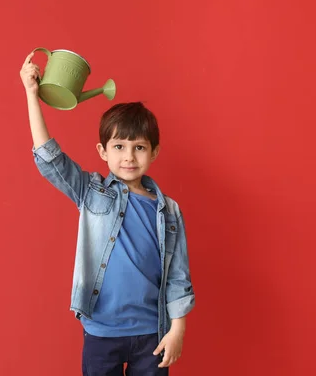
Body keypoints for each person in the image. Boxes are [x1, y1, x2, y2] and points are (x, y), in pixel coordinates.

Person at [20, 51, 195, 375]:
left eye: (139, 147)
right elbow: (49, 158)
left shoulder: (169, 210)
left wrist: (177, 328)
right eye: (119, 146)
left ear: (154, 152)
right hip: (101, 330)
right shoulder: (90, 191)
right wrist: (33, 95)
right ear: (102, 151)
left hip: (152, 333)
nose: (129, 156)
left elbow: (178, 276)